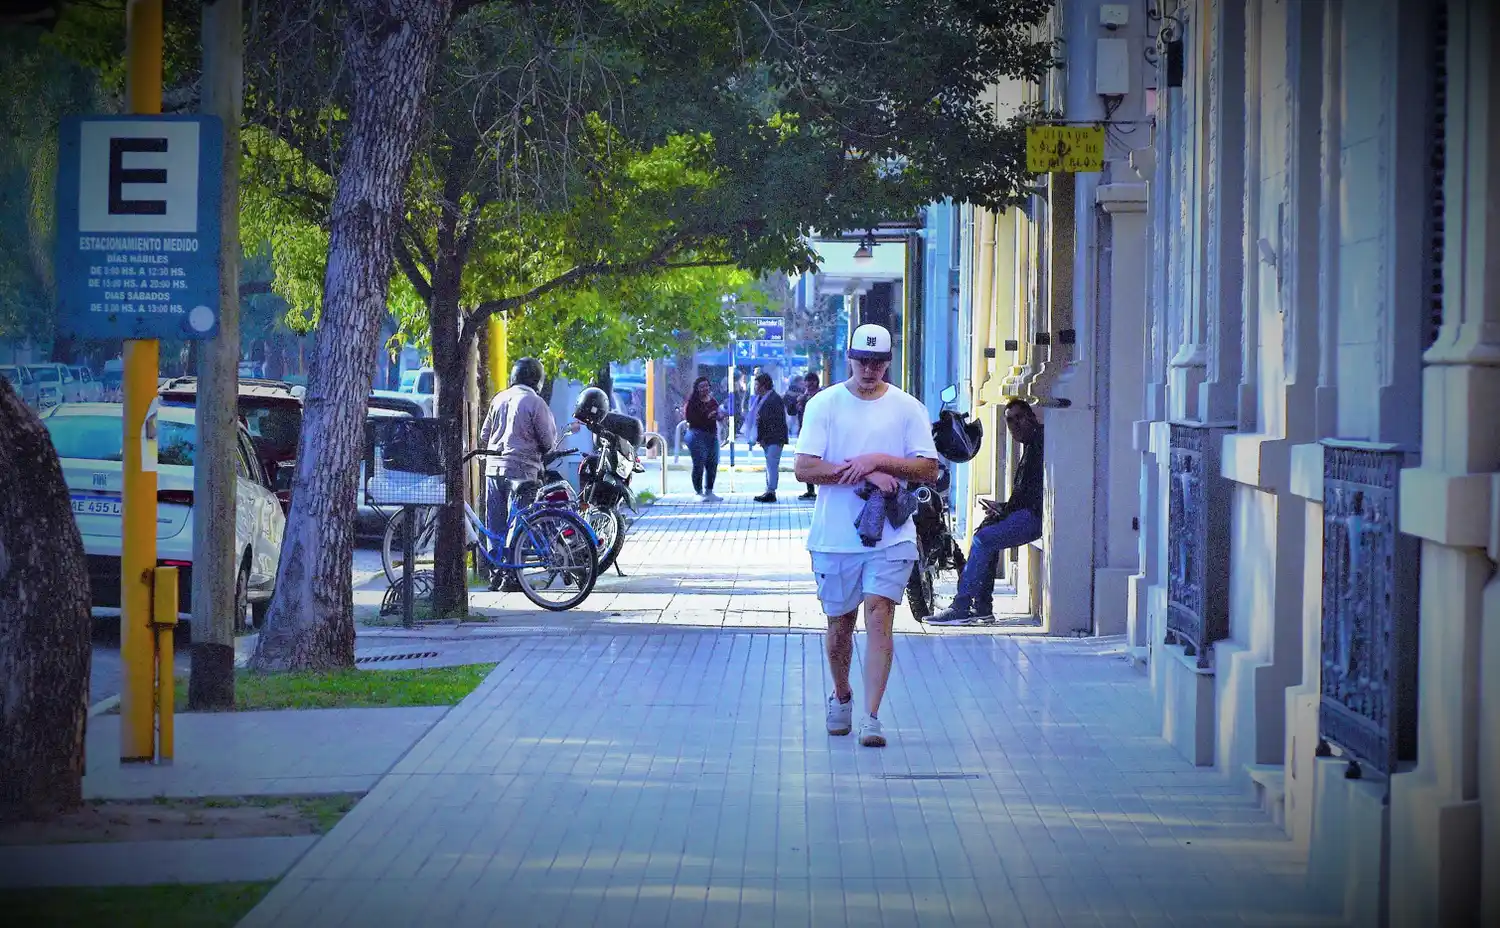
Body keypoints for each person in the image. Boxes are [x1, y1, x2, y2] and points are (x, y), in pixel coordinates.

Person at [793, 324, 939, 747]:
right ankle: (842, 695)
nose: (870, 368)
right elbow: (805, 467)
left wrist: (880, 460)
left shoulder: (908, 408)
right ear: (850, 359)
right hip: (835, 536)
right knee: (840, 624)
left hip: (891, 535)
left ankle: (872, 716)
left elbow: (927, 467)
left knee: (881, 613)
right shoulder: (824, 404)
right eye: (863, 360)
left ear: (889, 362)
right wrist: (866, 472)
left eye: (878, 361)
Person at [928, 399, 1045, 625]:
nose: (1014, 426)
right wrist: (1002, 508)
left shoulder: (1040, 445)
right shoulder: (1031, 446)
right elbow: (1024, 494)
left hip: (1034, 517)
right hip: (1026, 512)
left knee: (983, 539)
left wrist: (1005, 509)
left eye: (1019, 418)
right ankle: (982, 607)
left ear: (1031, 417)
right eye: (1010, 421)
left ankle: (961, 606)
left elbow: (1033, 497)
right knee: (985, 533)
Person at [477, 358, 559, 591]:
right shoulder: (535, 402)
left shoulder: (498, 399)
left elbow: (484, 436)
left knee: (494, 523)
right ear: (537, 380)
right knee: (519, 522)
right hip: (522, 469)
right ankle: (512, 574)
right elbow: (547, 442)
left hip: (493, 468)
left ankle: (496, 572)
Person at [683, 376, 729, 501]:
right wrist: (707, 416)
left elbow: (718, 415)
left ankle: (709, 491)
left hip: (712, 435)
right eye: (702, 387)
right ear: (697, 389)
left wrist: (719, 415)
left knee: (712, 463)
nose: (705, 389)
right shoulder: (692, 402)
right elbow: (690, 418)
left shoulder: (713, 401)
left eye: (706, 386)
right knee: (699, 463)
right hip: (696, 435)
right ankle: (698, 492)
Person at [751, 372, 788, 503]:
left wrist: (764, 435)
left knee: (772, 464)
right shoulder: (762, 399)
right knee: (769, 464)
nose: (755, 387)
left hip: (774, 437)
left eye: (756, 384)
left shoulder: (773, 399)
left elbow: (773, 421)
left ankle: (771, 491)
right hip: (767, 438)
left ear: (763, 385)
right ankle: (769, 489)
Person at [786, 371, 821, 500]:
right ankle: (810, 489)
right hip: (805, 430)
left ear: (816, 382)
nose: (808, 384)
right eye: (806, 382)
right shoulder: (803, 396)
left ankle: (821, 487)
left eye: (811, 381)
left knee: (820, 460)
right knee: (807, 459)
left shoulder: (822, 395)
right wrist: (798, 403)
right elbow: (792, 412)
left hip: (821, 431)